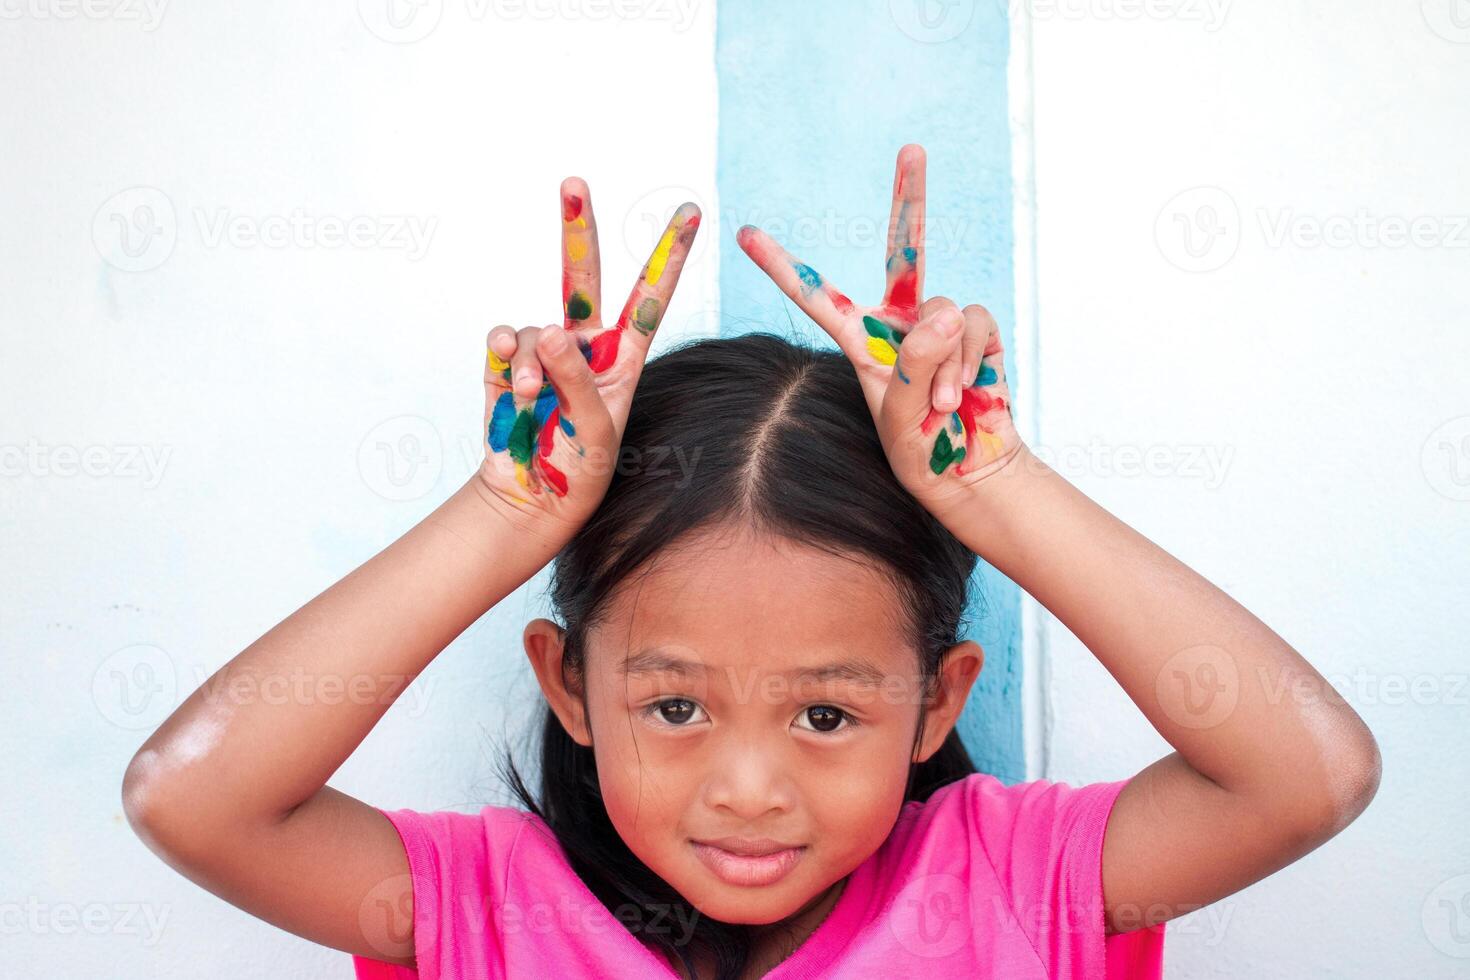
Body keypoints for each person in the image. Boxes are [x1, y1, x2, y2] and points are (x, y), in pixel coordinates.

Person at [121, 144, 1381, 979]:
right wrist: (505, 517)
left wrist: (999, 489)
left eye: (827, 711)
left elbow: (1308, 774)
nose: (747, 786)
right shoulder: (486, 914)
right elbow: (191, 797)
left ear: (939, 699)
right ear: (567, 685)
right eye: (673, 704)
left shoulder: (1010, 887)